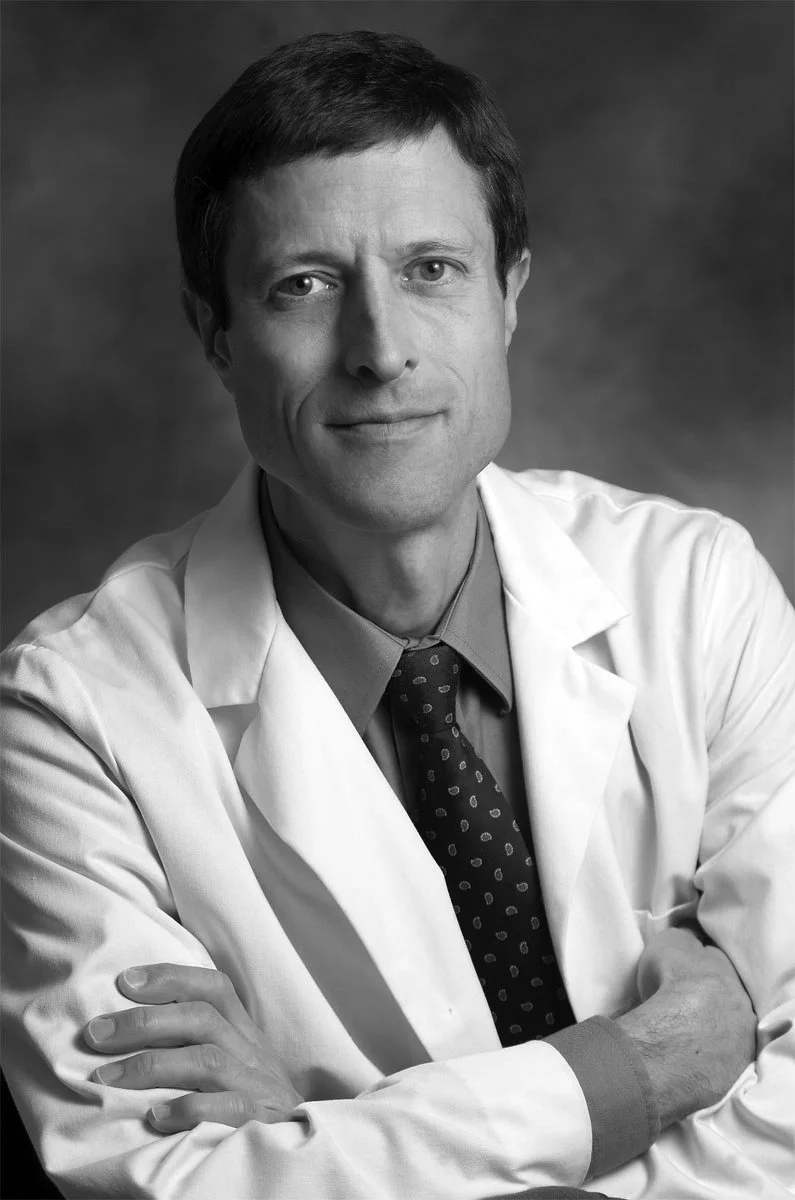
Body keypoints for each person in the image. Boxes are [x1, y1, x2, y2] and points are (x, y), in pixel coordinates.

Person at [1, 29, 792, 1200]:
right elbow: (158, 1179)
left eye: (432, 270)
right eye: (304, 285)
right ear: (215, 334)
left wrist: (328, 1131)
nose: (379, 351)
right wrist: (650, 1065)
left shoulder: (699, 589)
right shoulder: (70, 711)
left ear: (510, 294)